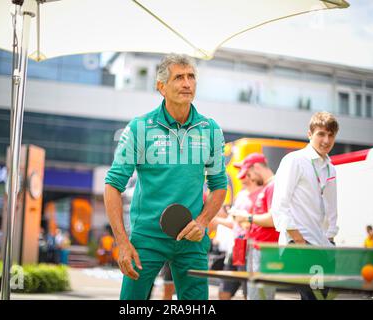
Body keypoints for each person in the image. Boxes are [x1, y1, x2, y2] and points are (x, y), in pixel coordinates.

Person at [104, 53, 227, 300]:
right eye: (179, 77)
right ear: (161, 87)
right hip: (147, 238)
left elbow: (219, 185)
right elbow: (113, 185)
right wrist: (123, 242)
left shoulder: (210, 129)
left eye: (191, 77)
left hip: (192, 238)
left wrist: (202, 222)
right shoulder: (140, 127)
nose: (187, 83)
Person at [271, 111, 339, 300]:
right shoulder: (294, 160)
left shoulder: (330, 167)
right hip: (300, 244)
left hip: (324, 247)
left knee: (322, 298)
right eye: (321, 134)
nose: (326, 140)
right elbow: (279, 205)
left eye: (331, 135)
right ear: (310, 134)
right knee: (313, 298)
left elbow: (331, 208)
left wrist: (331, 239)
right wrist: (298, 241)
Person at [230, 153, 279, 300]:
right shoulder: (267, 187)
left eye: (249, 174)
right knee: (254, 295)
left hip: (266, 250)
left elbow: (273, 219)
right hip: (258, 248)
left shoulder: (273, 185)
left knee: (260, 295)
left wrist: (247, 217)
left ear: (257, 167)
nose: (249, 178)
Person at [215, 171, 262, 300]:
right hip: (235, 246)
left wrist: (245, 221)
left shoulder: (260, 194)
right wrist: (215, 220)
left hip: (249, 248)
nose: (240, 175)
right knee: (224, 292)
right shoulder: (241, 194)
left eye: (244, 172)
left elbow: (251, 222)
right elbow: (232, 221)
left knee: (248, 293)